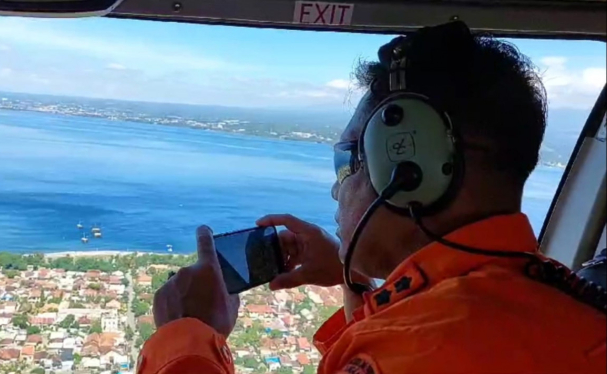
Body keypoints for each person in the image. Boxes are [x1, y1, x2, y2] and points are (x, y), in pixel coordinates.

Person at [138, 22, 606, 374]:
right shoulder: (555, 293)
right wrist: (353, 272)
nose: (337, 188)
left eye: (347, 163)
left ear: (407, 166)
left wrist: (186, 335)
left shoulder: (421, 354)